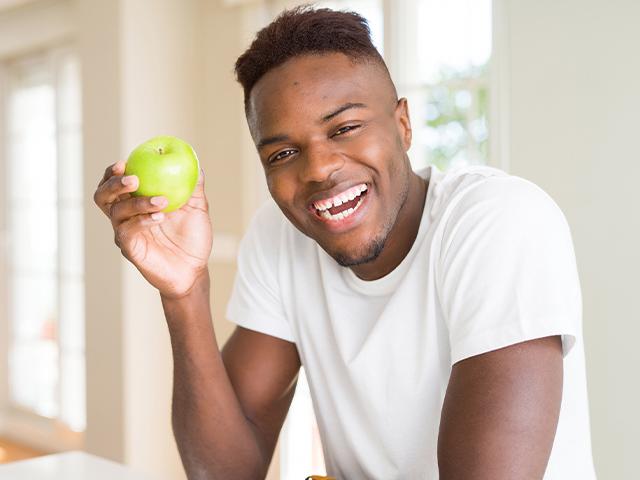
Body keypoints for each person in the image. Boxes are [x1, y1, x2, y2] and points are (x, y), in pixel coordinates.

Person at [93, 6, 596, 480]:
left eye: (346, 127)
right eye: (283, 152)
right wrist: (184, 293)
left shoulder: (497, 221)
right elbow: (227, 471)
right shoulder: (279, 236)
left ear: (403, 124)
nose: (318, 169)